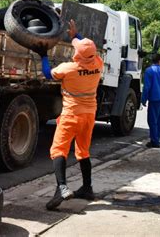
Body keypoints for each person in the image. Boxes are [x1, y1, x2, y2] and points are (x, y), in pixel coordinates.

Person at [41, 19, 104, 210]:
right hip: (89, 115)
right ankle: (87, 188)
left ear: (78, 55)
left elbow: (47, 74)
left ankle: (61, 187)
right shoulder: (98, 63)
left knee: (58, 150)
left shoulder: (68, 69)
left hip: (71, 115)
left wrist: (43, 55)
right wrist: (76, 36)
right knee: (83, 151)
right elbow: (85, 48)